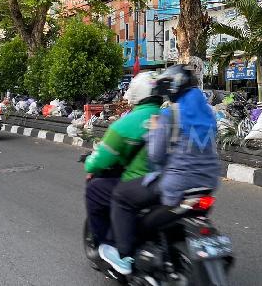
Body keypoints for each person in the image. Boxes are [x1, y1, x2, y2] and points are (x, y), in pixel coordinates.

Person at [99, 64, 221, 275]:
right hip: (208, 183)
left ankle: (124, 256)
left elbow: (155, 155)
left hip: (178, 184)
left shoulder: (170, 114)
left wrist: (155, 130)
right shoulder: (208, 113)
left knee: (121, 196)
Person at [83, 72, 163, 259]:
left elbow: (101, 159)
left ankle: (108, 246)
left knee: (94, 190)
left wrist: (89, 163)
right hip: (172, 179)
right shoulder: (168, 116)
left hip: (142, 182)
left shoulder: (126, 123)